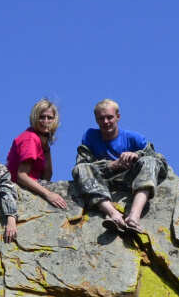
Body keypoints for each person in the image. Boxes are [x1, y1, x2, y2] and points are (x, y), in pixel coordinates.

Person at [70, 98, 167, 236]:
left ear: (118, 117)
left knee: (150, 161)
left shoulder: (134, 138)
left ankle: (134, 217)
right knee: (80, 169)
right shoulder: (90, 136)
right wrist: (110, 165)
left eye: (110, 117)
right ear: (96, 120)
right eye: (101, 118)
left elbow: (159, 162)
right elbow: (82, 165)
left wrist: (136, 155)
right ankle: (113, 214)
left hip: (132, 179)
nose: (105, 122)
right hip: (104, 182)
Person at [7, 98, 67, 211]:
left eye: (50, 118)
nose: (45, 121)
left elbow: (47, 176)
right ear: (35, 118)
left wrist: (46, 149)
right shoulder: (30, 138)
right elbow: (21, 176)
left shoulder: (41, 141)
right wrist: (48, 194)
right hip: (17, 189)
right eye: (41, 117)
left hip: (32, 186)